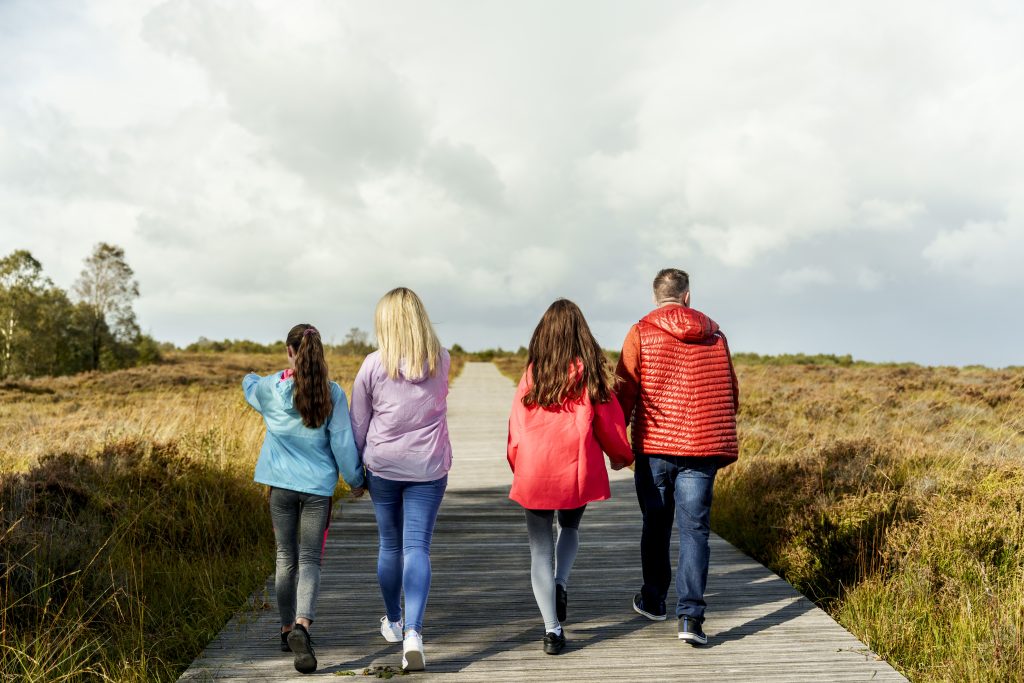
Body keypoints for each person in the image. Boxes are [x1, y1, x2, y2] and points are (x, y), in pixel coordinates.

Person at [615, 268, 739, 646]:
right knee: (695, 531)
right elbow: (731, 394)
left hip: (654, 448)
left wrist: (614, 440)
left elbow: (624, 390)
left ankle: (654, 600)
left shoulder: (640, 332)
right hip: (701, 449)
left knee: (656, 524)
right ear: (687, 296)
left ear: (656, 298)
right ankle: (691, 619)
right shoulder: (715, 336)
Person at [507, 299, 635, 655]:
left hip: (535, 472)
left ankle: (552, 630)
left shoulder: (533, 374)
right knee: (571, 528)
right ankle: (561, 581)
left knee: (538, 551)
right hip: (575, 473)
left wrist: (517, 464)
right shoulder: (591, 374)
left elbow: (516, 429)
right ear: (581, 333)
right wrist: (622, 457)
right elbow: (609, 425)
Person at [242, 323, 366, 674]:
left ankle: (284, 632)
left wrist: (268, 375)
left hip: (279, 487)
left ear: (289, 351)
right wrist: (356, 480)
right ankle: (302, 626)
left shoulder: (269, 389)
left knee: (285, 558)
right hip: (317, 490)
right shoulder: (332, 393)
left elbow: (247, 383)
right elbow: (342, 443)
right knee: (310, 560)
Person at [350, 287, 452, 672]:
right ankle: (413, 633)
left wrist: (355, 472)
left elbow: (358, 421)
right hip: (428, 467)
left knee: (390, 545)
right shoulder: (442, 360)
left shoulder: (373, 365)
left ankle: (392, 621)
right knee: (417, 548)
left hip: (384, 468)